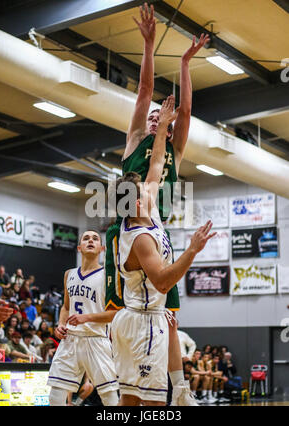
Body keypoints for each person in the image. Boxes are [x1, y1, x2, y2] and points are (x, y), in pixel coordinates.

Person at [105, 2, 210, 406]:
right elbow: (146, 91)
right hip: (130, 234)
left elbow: (185, 110)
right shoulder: (134, 142)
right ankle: (113, 382)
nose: (155, 118)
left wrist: (185, 62)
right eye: (151, 117)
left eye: (159, 118)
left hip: (157, 230)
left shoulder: (171, 151)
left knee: (167, 316)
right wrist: (149, 46)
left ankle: (178, 388)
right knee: (127, 312)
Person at [47, 229, 119, 406]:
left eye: (95, 238)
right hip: (70, 340)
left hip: (96, 340)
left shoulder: (108, 275)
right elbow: (66, 306)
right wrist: (61, 324)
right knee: (55, 396)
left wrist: (86, 318)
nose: (90, 241)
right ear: (79, 247)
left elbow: (114, 314)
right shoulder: (69, 274)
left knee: (110, 397)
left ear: (102, 248)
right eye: (86, 238)